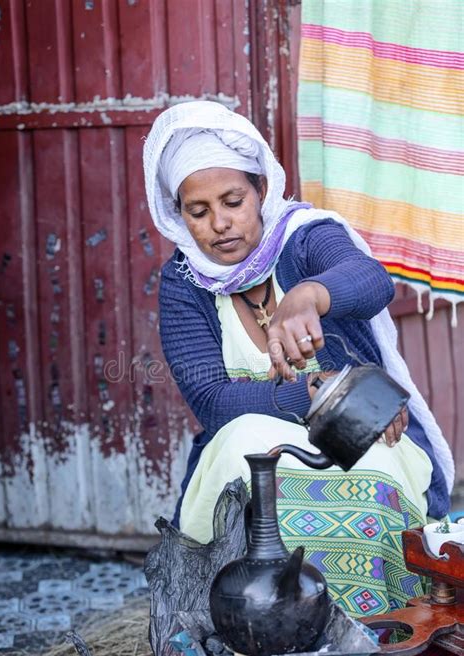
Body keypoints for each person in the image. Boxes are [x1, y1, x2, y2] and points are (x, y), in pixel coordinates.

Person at [143, 100, 454, 619]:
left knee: (366, 464)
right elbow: (215, 402)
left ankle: (373, 623)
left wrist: (309, 294)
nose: (220, 223)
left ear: (261, 190)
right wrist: (316, 395)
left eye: (233, 201)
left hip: (366, 430)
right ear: (178, 216)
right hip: (250, 443)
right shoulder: (183, 285)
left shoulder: (304, 238)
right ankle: (262, 626)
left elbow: (371, 281)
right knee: (243, 444)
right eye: (198, 212)